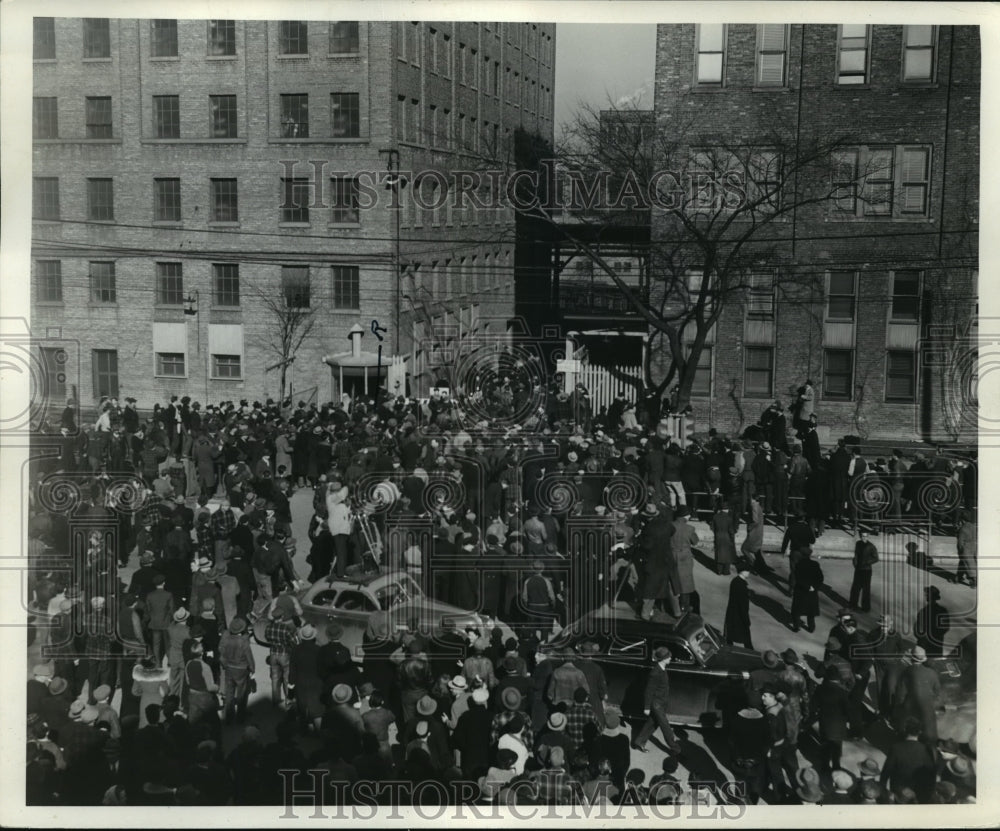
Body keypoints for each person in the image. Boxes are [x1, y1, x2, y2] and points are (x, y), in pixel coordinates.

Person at [631, 646, 681, 755]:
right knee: (666, 727)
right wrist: (647, 707)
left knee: (652, 723)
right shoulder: (655, 673)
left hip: (661, 703)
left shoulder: (662, 669)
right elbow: (649, 691)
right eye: (669, 656)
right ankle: (676, 749)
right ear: (663, 658)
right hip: (656, 704)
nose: (670, 658)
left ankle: (639, 741)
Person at [880, 717, 936, 803]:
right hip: (918, 795)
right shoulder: (926, 750)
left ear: (905, 730)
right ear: (920, 732)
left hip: (898, 794)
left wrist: (883, 792)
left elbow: (886, 773)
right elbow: (931, 776)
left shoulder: (896, 748)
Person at [893, 646, 941, 743]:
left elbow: (900, 693)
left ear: (911, 658)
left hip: (910, 707)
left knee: (906, 731)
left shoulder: (907, 672)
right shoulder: (932, 672)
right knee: (928, 735)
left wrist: (898, 707)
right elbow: (937, 691)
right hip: (928, 708)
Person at [811, 665, 851, 773]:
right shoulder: (843, 691)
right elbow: (848, 709)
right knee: (836, 751)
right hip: (839, 726)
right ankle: (836, 770)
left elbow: (813, 706)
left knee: (825, 747)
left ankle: (824, 769)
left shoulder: (820, 689)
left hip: (825, 724)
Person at [789, 546, 823, 632]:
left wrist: (806, 586)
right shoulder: (815, 564)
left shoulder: (799, 565)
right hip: (812, 592)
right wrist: (814, 587)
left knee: (797, 610)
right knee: (810, 611)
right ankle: (811, 628)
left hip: (801, 590)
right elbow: (820, 578)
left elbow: (798, 578)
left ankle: (796, 627)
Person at [723, 560, 754, 649]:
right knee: (746, 636)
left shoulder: (735, 581)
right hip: (740, 615)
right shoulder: (741, 585)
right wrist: (746, 619)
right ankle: (750, 652)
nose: (749, 573)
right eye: (747, 571)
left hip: (732, 613)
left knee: (730, 634)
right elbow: (742, 605)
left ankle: (729, 647)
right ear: (742, 571)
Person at [914, 585, 950, 658]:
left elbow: (917, 629)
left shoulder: (923, 612)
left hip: (923, 644)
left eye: (926, 595)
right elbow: (945, 628)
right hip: (936, 644)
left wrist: (922, 637)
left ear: (928, 597)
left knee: (920, 661)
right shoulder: (943, 611)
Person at [849, 530, 878, 612]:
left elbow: (876, 558)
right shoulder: (858, 543)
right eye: (862, 536)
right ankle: (852, 605)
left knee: (866, 589)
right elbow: (856, 554)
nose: (863, 538)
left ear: (868, 536)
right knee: (855, 588)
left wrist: (867, 562)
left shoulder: (871, 546)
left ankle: (866, 608)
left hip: (866, 570)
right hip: (858, 569)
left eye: (865, 536)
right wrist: (855, 562)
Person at [710, 503, 738, 576]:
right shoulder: (729, 518)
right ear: (727, 509)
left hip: (718, 536)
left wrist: (717, 533)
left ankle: (719, 570)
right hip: (727, 537)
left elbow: (712, 527)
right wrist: (732, 538)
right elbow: (731, 531)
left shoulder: (715, 517)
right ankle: (726, 571)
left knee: (719, 554)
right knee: (727, 555)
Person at [955, 510, 977, 587]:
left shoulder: (962, 529)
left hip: (965, 549)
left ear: (962, 519)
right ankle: (958, 578)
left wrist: (959, 551)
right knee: (965, 563)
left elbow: (960, 543)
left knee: (967, 564)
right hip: (973, 548)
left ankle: (973, 581)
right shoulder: (974, 527)